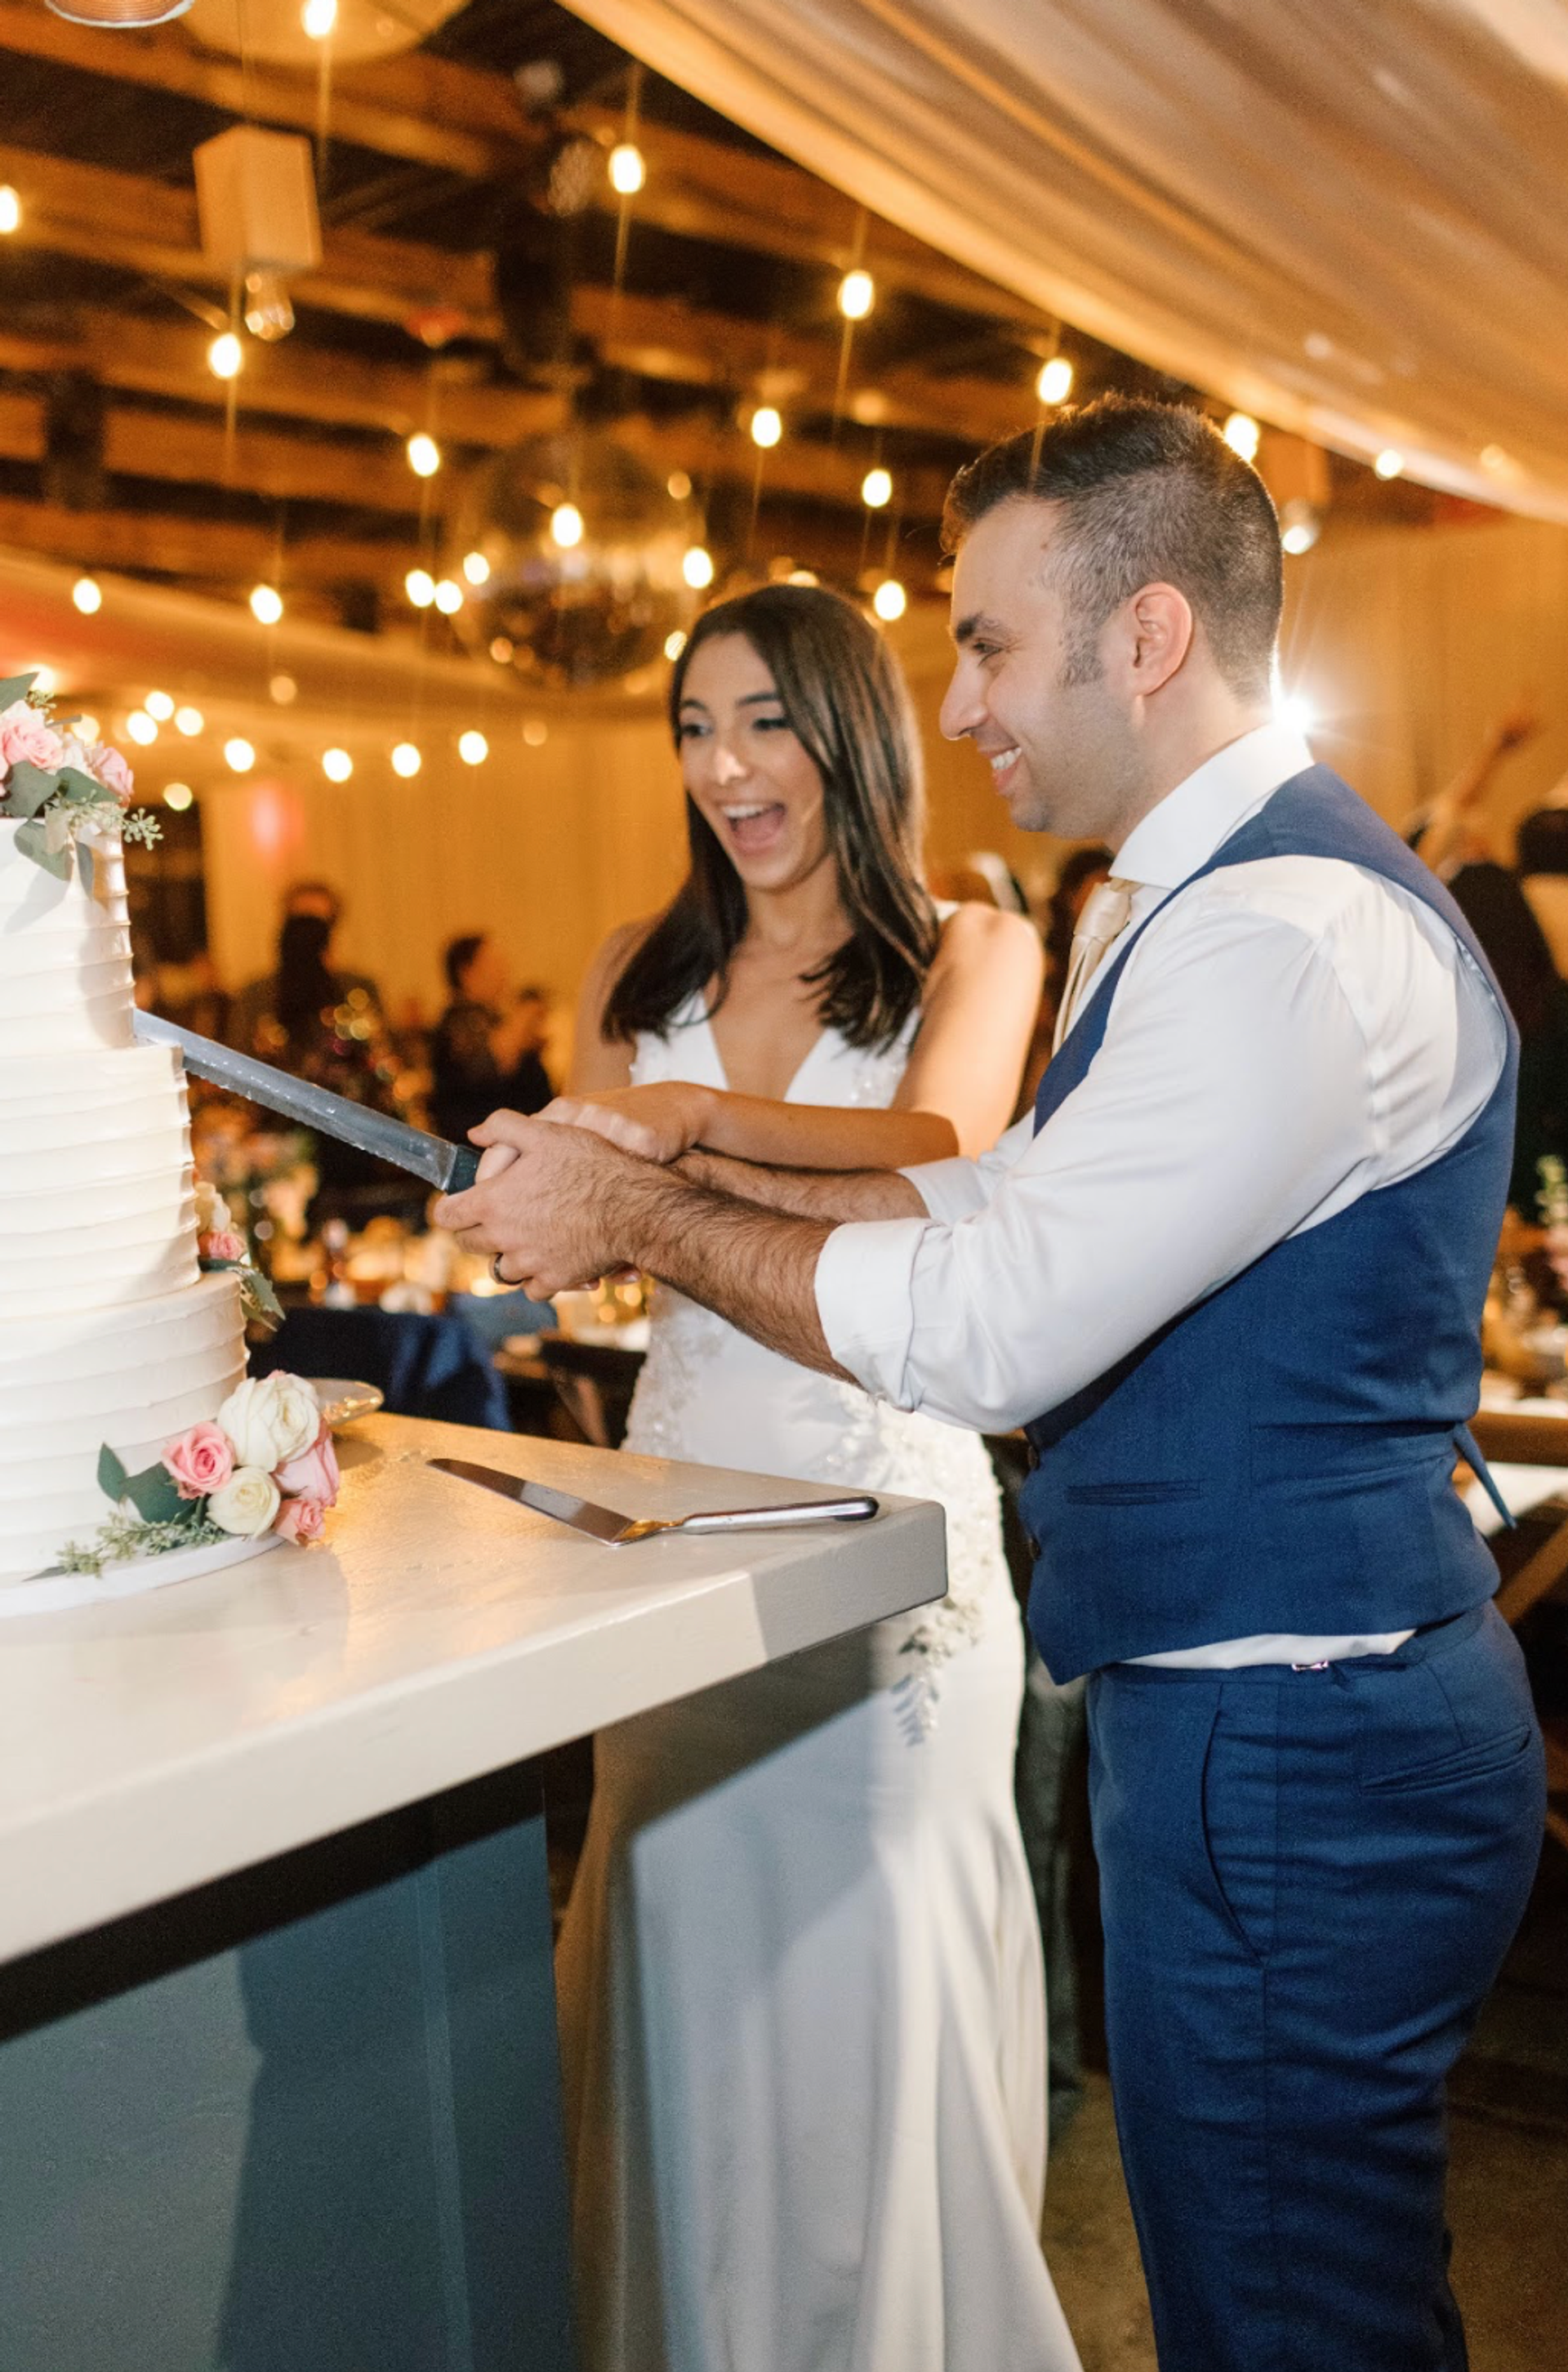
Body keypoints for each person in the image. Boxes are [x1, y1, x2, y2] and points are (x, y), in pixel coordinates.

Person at [440, 397, 1548, 2372]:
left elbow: (996, 1323)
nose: (954, 704)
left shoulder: (1280, 936)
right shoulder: (1210, 907)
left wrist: (645, 1206)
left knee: (1291, 2312)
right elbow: (1005, 1184)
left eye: (988, 642)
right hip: (1256, 1709)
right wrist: (668, 1154)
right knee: (1289, 2291)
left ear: (1143, 637)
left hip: (1297, 1727)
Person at [537, 582, 1072, 2372]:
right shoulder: (635, 966)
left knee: (874, 1965)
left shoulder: (974, 946)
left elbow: (944, 1156)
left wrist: (682, 1133)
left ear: (849, 729)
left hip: (884, 1534)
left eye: (761, 718)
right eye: (693, 726)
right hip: (668, 1532)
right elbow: (588, 1219)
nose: (723, 765)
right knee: (675, 1943)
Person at [226, 878, 381, 1057]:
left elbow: (378, 1056)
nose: (309, 935)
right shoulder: (256, 995)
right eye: (301, 924)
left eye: (319, 925)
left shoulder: (358, 990)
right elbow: (239, 1058)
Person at [430, 934, 554, 1146]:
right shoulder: (458, 1020)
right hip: (482, 1144)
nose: (504, 970)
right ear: (466, 972)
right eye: (493, 963)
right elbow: (489, 1065)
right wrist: (524, 1018)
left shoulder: (493, 1017)